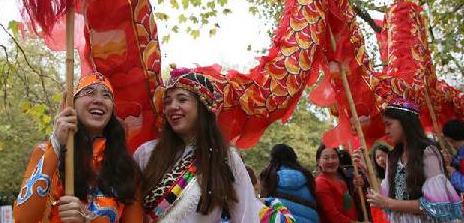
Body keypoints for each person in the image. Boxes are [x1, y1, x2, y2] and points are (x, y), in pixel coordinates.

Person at [133, 68, 271, 222]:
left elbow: (246, 214)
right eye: (167, 102)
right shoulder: (146, 152)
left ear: (203, 105)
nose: (172, 106)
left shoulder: (225, 158)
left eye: (182, 99)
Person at [14, 72, 143, 223]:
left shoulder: (127, 168)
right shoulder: (45, 152)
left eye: (106, 95)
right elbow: (23, 219)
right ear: (71, 104)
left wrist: (87, 221)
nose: (99, 100)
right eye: (89, 92)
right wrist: (56, 145)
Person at [366, 98, 463, 223]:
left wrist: (390, 204)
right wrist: (368, 172)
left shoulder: (427, 152)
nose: (386, 131)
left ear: (405, 122)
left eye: (389, 124)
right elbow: (384, 196)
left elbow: (436, 206)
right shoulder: (392, 157)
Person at [259, 144, 320, 223]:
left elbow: (263, 204)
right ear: (294, 157)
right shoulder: (307, 176)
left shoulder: (268, 176)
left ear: (273, 158)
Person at [315, 144, 366, 223]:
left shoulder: (340, 181)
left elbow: (348, 206)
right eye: (326, 158)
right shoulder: (320, 183)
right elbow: (333, 216)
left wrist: (357, 189)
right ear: (318, 162)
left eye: (334, 157)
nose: (331, 161)